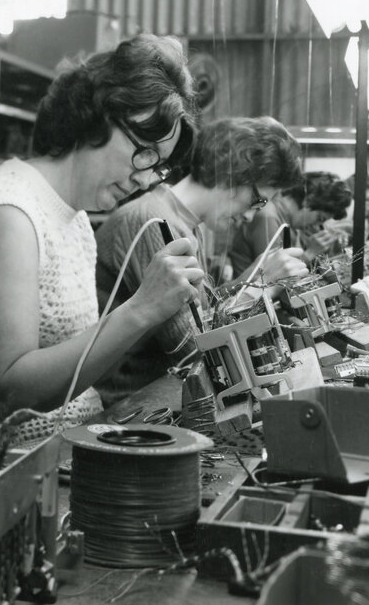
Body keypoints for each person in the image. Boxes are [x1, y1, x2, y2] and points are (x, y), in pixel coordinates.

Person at [0, 34, 204, 448]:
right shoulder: (9, 213)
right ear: (97, 117)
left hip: (64, 441)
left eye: (157, 166)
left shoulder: (74, 218)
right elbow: (12, 393)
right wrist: (141, 309)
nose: (144, 179)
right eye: (144, 151)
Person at [93, 116, 307, 405]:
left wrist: (251, 278)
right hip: (127, 404)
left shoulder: (188, 224)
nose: (250, 216)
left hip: (156, 392)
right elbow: (193, 349)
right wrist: (260, 285)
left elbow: (202, 311)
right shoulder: (153, 221)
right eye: (257, 201)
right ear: (234, 175)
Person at [228, 170, 352, 276]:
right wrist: (311, 253)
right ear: (308, 201)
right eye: (319, 218)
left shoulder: (288, 221)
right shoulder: (268, 217)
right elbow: (273, 275)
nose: (314, 225)